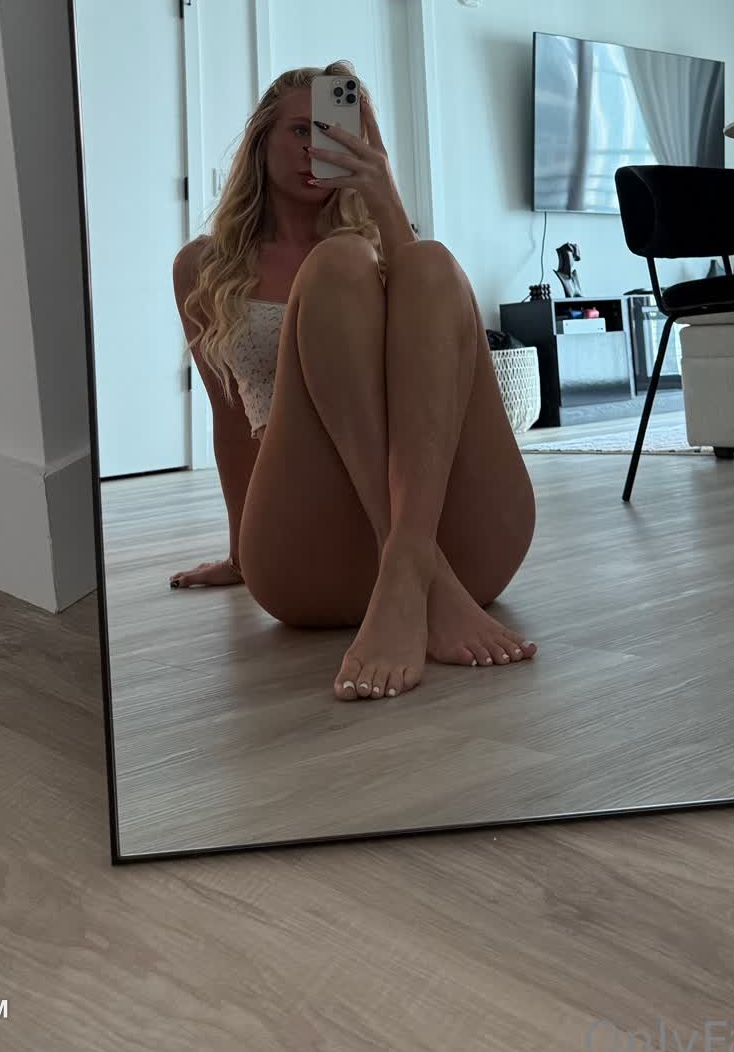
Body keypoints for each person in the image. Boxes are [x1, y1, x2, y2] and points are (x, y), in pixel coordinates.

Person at [169, 63, 538, 703]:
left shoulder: (382, 245)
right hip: (310, 549)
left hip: (462, 540)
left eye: (337, 131)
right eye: (301, 131)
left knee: (429, 262)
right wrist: (237, 552)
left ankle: (409, 563)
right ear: (260, 138)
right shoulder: (204, 266)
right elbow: (229, 420)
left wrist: (385, 198)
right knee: (337, 264)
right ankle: (416, 567)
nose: (318, 148)